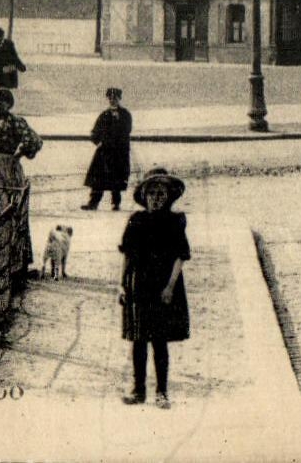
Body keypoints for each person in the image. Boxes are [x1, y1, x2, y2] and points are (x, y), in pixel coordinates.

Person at [119, 168, 191, 409]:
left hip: (163, 286)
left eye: (162, 193)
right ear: (145, 196)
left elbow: (181, 257)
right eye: (152, 193)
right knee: (138, 339)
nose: (157, 198)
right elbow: (127, 255)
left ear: (169, 197)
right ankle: (138, 390)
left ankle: (162, 392)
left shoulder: (175, 222)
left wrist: (170, 286)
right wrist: (121, 285)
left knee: (159, 340)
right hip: (138, 285)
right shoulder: (136, 221)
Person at [0, 89, 42, 268]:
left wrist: (21, 151)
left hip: (10, 166)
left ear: (9, 104)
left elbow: (35, 140)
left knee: (14, 208)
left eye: (0, 102)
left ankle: (15, 259)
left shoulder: (16, 122)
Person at [84, 88, 134, 211]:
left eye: (115, 98)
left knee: (117, 178)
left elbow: (127, 131)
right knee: (99, 178)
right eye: (110, 98)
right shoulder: (104, 115)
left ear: (119, 99)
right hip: (104, 152)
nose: (112, 100)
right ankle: (93, 203)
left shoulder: (125, 114)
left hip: (119, 152)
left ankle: (116, 204)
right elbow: (95, 132)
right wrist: (98, 142)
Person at [0, 27, 27, 92]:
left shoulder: (9, 44)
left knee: (6, 88)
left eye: (0, 37)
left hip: (7, 70)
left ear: (3, 36)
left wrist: (21, 66)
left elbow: (15, 57)